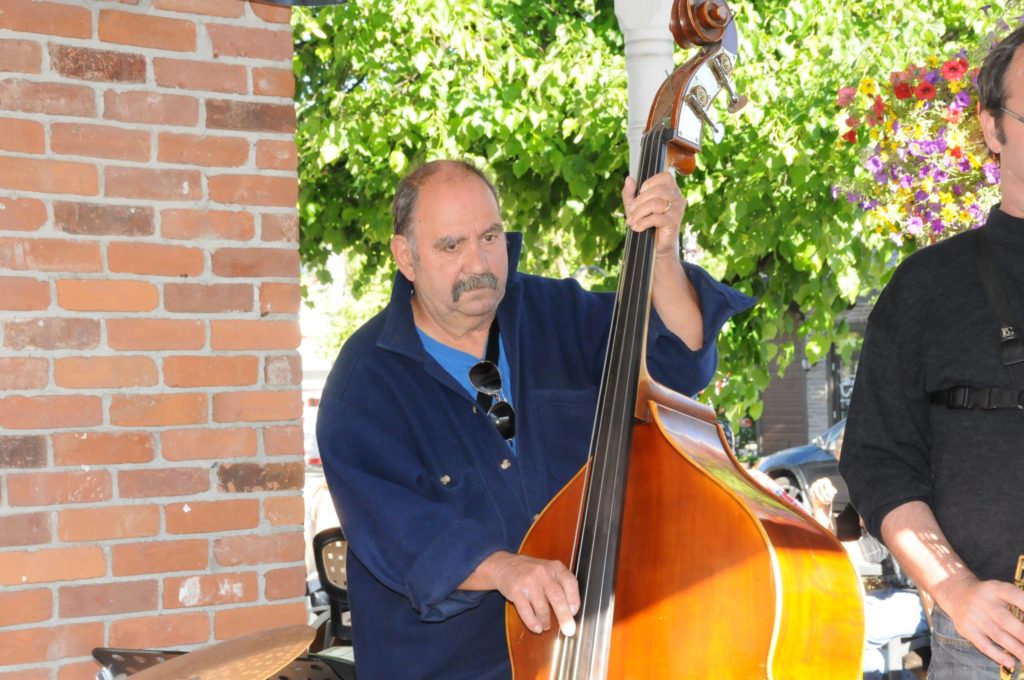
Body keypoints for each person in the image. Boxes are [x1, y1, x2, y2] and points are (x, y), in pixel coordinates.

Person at [316, 159, 754, 679]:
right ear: (405, 257)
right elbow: (402, 535)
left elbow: (680, 363)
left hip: (599, 652)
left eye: (490, 236)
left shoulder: (558, 313)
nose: (478, 263)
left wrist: (662, 256)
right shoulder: (363, 386)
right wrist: (506, 568)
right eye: (451, 246)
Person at [839, 25, 1024, 679]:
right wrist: (954, 591)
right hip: (986, 644)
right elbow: (878, 462)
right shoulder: (925, 288)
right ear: (993, 128)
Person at [808, 432, 929, 680]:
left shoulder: (896, 495)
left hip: (930, 601)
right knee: (863, 652)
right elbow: (832, 547)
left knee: (847, 621)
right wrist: (821, 507)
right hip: (902, 595)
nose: (851, 479)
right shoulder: (865, 495)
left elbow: (843, 554)